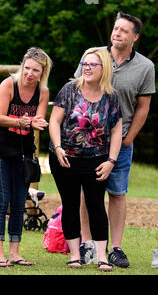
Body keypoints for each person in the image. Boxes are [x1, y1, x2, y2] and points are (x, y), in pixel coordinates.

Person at [74, 12, 156, 268]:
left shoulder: (146, 67)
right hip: (89, 139)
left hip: (121, 141)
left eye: (123, 30)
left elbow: (143, 106)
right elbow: (76, 88)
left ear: (135, 37)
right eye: (115, 28)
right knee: (87, 194)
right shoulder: (94, 55)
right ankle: (87, 245)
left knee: (117, 193)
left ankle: (116, 249)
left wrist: (130, 137)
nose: (117, 33)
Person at [49, 48, 122, 271]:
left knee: (96, 206)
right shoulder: (70, 89)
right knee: (70, 205)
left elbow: (117, 130)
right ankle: (74, 255)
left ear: (104, 69)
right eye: (85, 64)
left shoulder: (111, 96)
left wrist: (111, 161)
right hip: (65, 159)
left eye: (93, 64)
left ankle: (102, 257)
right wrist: (59, 147)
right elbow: (54, 121)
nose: (87, 68)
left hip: (97, 161)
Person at [0, 47, 51, 267]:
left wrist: (38, 122)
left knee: (18, 201)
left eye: (35, 70)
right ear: (22, 66)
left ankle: (15, 252)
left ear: (42, 72)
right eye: (27, 68)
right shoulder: (8, 85)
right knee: (1, 200)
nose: (29, 73)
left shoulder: (43, 92)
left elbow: (39, 119)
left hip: (23, 149)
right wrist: (22, 121)